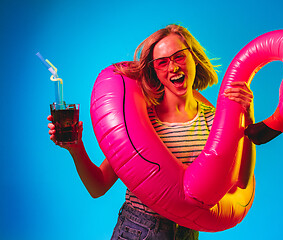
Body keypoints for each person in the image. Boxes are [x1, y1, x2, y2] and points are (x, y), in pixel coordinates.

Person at [47, 24, 255, 240]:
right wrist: (76, 148)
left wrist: (246, 118)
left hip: (187, 232)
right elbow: (97, 187)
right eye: (162, 62)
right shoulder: (141, 121)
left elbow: (241, 181)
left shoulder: (214, 121)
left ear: (193, 58)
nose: (173, 68)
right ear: (154, 70)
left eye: (179, 57)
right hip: (138, 230)